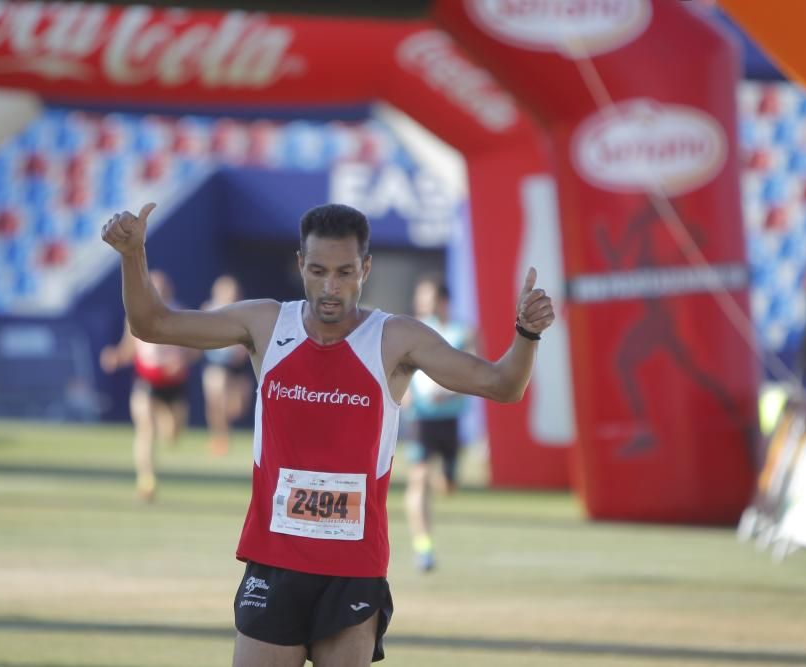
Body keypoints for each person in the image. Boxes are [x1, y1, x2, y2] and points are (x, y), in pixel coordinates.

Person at [101, 202, 554, 666]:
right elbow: (151, 324)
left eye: (345, 272)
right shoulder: (265, 323)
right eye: (318, 270)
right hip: (274, 562)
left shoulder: (394, 339)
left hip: (352, 572)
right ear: (300, 264)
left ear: (367, 268)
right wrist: (132, 254)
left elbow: (503, 385)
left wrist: (526, 332)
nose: (331, 287)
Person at [99, 270, 196, 503]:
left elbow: (195, 347)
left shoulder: (180, 312)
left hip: (174, 383)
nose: (158, 292)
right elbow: (129, 347)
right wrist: (116, 357)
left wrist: (181, 360)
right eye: (154, 287)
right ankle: (146, 480)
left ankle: (167, 424)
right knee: (146, 430)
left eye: (162, 287)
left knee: (172, 434)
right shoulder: (136, 314)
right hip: (147, 380)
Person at [403, 275, 475, 573]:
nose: (423, 304)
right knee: (418, 478)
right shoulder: (408, 332)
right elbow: (399, 369)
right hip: (421, 418)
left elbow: (473, 372)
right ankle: (424, 547)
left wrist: (448, 394)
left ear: (443, 301)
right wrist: (404, 393)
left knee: (447, 486)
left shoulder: (461, 333)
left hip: (449, 419)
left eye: (428, 298)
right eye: (420, 298)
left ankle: (441, 476)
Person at [201, 274, 254, 457]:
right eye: (225, 291)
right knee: (215, 398)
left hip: (239, 367)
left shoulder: (244, 311)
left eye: (232, 291)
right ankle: (220, 437)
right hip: (216, 364)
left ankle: (223, 427)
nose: (229, 294)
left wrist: (243, 350)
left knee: (236, 409)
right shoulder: (209, 310)